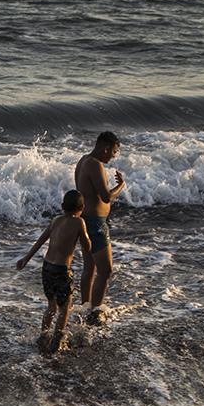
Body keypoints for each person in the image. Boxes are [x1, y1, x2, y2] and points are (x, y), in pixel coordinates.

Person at [15, 188, 92, 353]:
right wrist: (88, 237)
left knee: (51, 306)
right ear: (82, 208)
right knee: (65, 307)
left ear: (63, 206)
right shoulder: (79, 222)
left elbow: (41, 240)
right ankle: (56, 342)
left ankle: (43, 335)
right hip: (62, 270)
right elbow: (87, 245)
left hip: (47, 267)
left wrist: (26, 259)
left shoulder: (56, 220)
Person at [73, 131, 127, 323]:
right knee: (106, 271)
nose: (113, 156)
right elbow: (106, 196)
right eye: (113, 152)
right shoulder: (95, 165)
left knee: (90, 267)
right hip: (95, 223)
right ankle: (95, 313)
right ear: (105, 148)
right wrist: (121, 186)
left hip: (86, 219)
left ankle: (85, 306)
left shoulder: (83, 161)